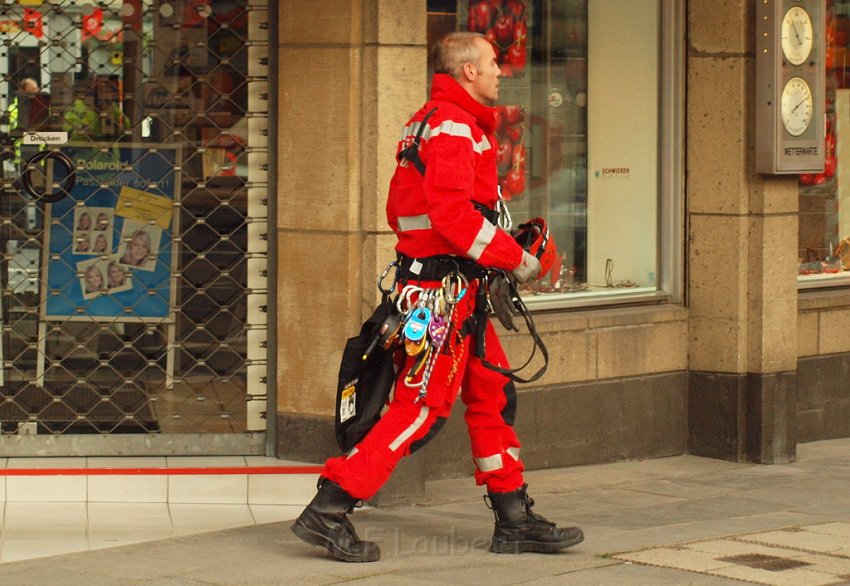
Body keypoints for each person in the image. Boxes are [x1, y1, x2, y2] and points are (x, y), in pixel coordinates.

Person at [291, 32, 583, 563]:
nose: (502, 71)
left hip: (450, 291)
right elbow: (451, 217)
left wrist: (483, 258)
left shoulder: (433, 120)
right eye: (494, 63)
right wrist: (514, 259)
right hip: (442, 296)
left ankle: (513, 517)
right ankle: (329, 509)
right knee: (418, 407)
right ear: (468, 70)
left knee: (491, 394)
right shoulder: (453, 126)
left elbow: (405, 213)